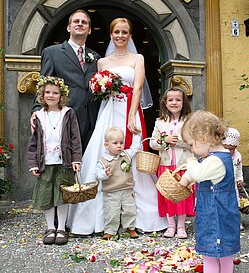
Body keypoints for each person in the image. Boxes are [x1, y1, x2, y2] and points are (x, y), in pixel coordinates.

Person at [68, 17, 167, 235]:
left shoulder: (137, 58)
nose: (120, 36)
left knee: (131, 153)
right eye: (116, 32)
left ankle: (138, 217)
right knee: (103, 151)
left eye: (124, 32)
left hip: (128, 109)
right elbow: (97, 90)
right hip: (109, 110)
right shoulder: (102, 62)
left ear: (130, 35)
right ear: (111, 35)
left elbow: (138, 87)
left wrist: (132, 115)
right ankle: (100, 219)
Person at [179, 110, 240, 273]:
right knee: (225, 252)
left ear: (203, 138)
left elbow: (197, 173)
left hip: (215, 216)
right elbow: (198, 175)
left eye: (191, 144)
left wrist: (190, 162)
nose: (192, 150)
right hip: (224, 214)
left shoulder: (214, 161)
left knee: (211, 254)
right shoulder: (219, 157)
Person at [31, 9, 100, 152]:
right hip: (63, 115)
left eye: (84, 22)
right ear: (69, 27)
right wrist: (37, 110)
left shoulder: (95, 56)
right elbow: (44, 84)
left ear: (90, 30)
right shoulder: (52, 52)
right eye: (76, 21)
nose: (80, 24)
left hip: (91, 118)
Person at [27, 76, 82, 245]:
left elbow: (75, 138)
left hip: (63, 162)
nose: (51, 95)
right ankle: (50, 228)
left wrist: (76, 159)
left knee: (62, 196)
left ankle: (61, 229)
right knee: (47, 196)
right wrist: (33, 163)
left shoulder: (68, 113)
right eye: (47, 92)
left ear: (61, 95)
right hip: (45, 163)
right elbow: (33, 142)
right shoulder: (38, 116)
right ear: (42, 95)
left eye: (55, 93)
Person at [150, 87, 195, 239]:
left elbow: (194, 142)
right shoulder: (160, 122)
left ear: (183, 102)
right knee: (168, 195)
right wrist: (165, 141)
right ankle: (170, 225)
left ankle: (181, 225)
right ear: (165, 102)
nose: (174, 102)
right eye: (170, 100)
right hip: (166, 165)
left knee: (182, 194)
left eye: (178, 99)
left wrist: (178, 141)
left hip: (183, 164)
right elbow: (152, 143)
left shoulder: (189, 121)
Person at [96, 127, 138, 240]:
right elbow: (98, 174)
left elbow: (135, 148)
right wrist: (104, 174)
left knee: (129, 209)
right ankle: (110, 230)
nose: (119, 146)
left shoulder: (126, 155)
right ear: (106, 144)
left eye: (121, 142)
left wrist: (137, 135)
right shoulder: (103, 160)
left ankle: (130, 228)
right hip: (111, 192)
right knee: (111, 212)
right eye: (115, 143)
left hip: (127, 189)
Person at [223, 127, 245, 230]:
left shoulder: (238, 156)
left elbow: (239, 168)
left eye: (231, 149)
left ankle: (236, 222)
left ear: (236, 146)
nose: (228, 151)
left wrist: (240, 179)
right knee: (222, 205)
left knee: (234, 204)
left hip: (233, 186)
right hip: (222, 186)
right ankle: (223, 222)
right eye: (225, 148)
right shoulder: (219, 156)